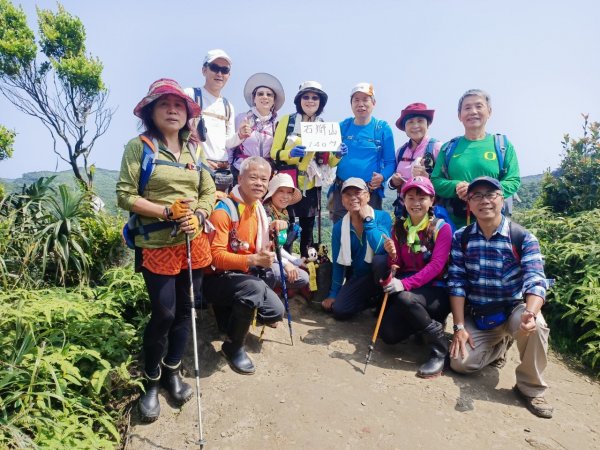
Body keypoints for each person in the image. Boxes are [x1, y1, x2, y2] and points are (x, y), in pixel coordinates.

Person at [116, 78, 215, 422]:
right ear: (151, 111)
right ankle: (151, 382)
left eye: (179, 106)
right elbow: (124, 195)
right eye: (164, 105)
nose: (172, 111)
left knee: (187, 310)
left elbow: (209, 191)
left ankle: (173, 372)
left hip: (192, 244)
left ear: (188, 113)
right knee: (164, 314)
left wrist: (199, 216)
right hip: (157, 245)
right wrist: (166, 211)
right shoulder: (139, 147)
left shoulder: (196, 150)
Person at [448, 176, 552, 418]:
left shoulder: (522, 237)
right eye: (476, 196)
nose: (484, 201)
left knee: (536, 326)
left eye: (490, 195)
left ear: (502, 199)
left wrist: (530, 312)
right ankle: (500, 345)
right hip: (481, 313)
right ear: (469, 204)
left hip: (513, 309)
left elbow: (536, 279)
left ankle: (531, 388)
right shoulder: (461, 238)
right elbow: (457, 282)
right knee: (460, 364)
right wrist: (459, 327)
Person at [203, 156, 285, 375]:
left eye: (264, 179)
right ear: (240, 178)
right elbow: (215, 257)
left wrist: (274, 232)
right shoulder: (224, 210)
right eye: (253, 177)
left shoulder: (259, 210)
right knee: (254, 288)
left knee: (275, 312)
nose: (259, 183)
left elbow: (257, 246)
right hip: (216, 279)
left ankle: (228, 318)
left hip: (240, 275)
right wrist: (253, 260)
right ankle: (233, 346)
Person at [379, 177, 452, 378]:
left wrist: (404, 284)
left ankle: (439, 349)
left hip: (436, 290)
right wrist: (392, 256)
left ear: (432, 201)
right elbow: (397, 265)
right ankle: (423, 326)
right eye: (410, 197)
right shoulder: (399, 228)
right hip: (411, 292)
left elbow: (437, 266)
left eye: (422, 197)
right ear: (404, 201)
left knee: (403, 297)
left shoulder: (441, 228)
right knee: (389, 335)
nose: (416, 202)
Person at [430, 89, 521, 228]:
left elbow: (513, 181)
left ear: (489, 111)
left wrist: (479, 190)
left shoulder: (502, 145)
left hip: (495, 225)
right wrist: (456, 186)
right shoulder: (448, 148)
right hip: (456, 226)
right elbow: (435, 181)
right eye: (467, 108)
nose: (473, 111)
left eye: (479, 106)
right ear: (459, 116)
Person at [270, 81, 338, 257]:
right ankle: (284, 266)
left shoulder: (323, 125)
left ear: (320, 102)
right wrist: (291, 153)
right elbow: (274, 152)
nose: (310, 101)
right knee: (285, 226)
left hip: (310, 186)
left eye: (315, 97)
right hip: (288, 183)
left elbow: (329, 162)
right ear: (299, 100)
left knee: (308, 229)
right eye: (306, 97)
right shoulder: (288, 121)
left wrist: (338, 154)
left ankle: (309, 270)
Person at [321, 177, 392, 319]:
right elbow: (338, 263)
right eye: (348, 194)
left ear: (368, 195)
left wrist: (368, 221)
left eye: (358, 193)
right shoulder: (339, 228)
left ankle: (386, 299)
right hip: (359, 278)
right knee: (340, 310)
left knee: (381, 261)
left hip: (381, 275)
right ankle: (373, 301)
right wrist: (333, 294)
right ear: (342, 200)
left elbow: (381, 249)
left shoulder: (382, 217)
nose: (353, 198)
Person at [185, 49, 251, 192]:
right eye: (215, 68)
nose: (219, 74)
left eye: (224, 70)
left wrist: (240, 135)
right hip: (196, 166)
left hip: (221, 170)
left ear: (229, 75)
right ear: (204, 70)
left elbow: (227, 142)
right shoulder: (190, 95)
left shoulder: (228, 106)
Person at [329, 82, 395, 223]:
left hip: (369, 192)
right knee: (340, 233)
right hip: (342, 191)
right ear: (351, 104)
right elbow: (329, 157)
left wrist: (382, 177)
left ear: (374, 103)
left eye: (365, 99)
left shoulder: (382, 128)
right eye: (356, 100)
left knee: (369, 234)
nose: (361, 104)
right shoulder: (342, 127)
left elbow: (390, 163)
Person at [229, 72, 285, 183]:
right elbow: (230, 146)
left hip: (265, 175)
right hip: (241, 171)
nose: (265, 97)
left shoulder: (277, 124)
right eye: (260, 94)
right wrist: (229, 167)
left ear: (274, 100)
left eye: (269, 95)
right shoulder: (241, 118)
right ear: (254, 99)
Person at [389, 103, 442, 217]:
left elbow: (445, 181)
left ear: (428, 124)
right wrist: (394, 182)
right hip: (404, 210)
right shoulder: (400, 152)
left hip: (429, 212)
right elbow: (392, 183)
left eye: (420, 121)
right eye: (410, 122)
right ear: (405, 128)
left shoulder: (437, 148)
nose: (415, 125)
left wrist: (428, 178)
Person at [262, 173, 310, 293]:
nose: (285, 196)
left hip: (274, 257)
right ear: (272, 193)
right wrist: (285, 263)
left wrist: (294, 260)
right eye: (281, 191)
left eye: (289, 192)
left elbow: (278, 246)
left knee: (303, 276)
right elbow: (267, 248)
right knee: (300, 276)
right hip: (263, 260)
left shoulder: (283, 213)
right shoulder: (265, 213)